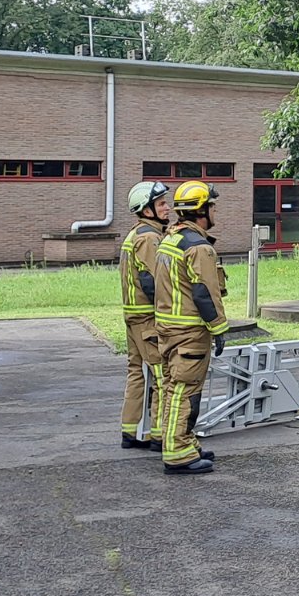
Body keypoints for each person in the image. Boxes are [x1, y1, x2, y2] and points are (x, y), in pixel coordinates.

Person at [154, 180, 228, 474]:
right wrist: (219, 328)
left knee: (172, 389)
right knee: (185, 392)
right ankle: (177, 454)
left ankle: (183, 443)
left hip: (168, 328)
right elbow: (203, 292)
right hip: (189, 333)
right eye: (212, 206)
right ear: (201, 211)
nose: (215, 211)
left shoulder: (171, 240)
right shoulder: (199, 248)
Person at [119, 181, 171, 451]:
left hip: (133, 316)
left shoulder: (135, 234)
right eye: (161, 204)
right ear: (146, 209)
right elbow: (156, 280)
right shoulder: (149, 238)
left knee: (137, 373)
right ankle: (160, 436)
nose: (167, 208)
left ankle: (131, 431)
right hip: (147, 319)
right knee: (163, 377)